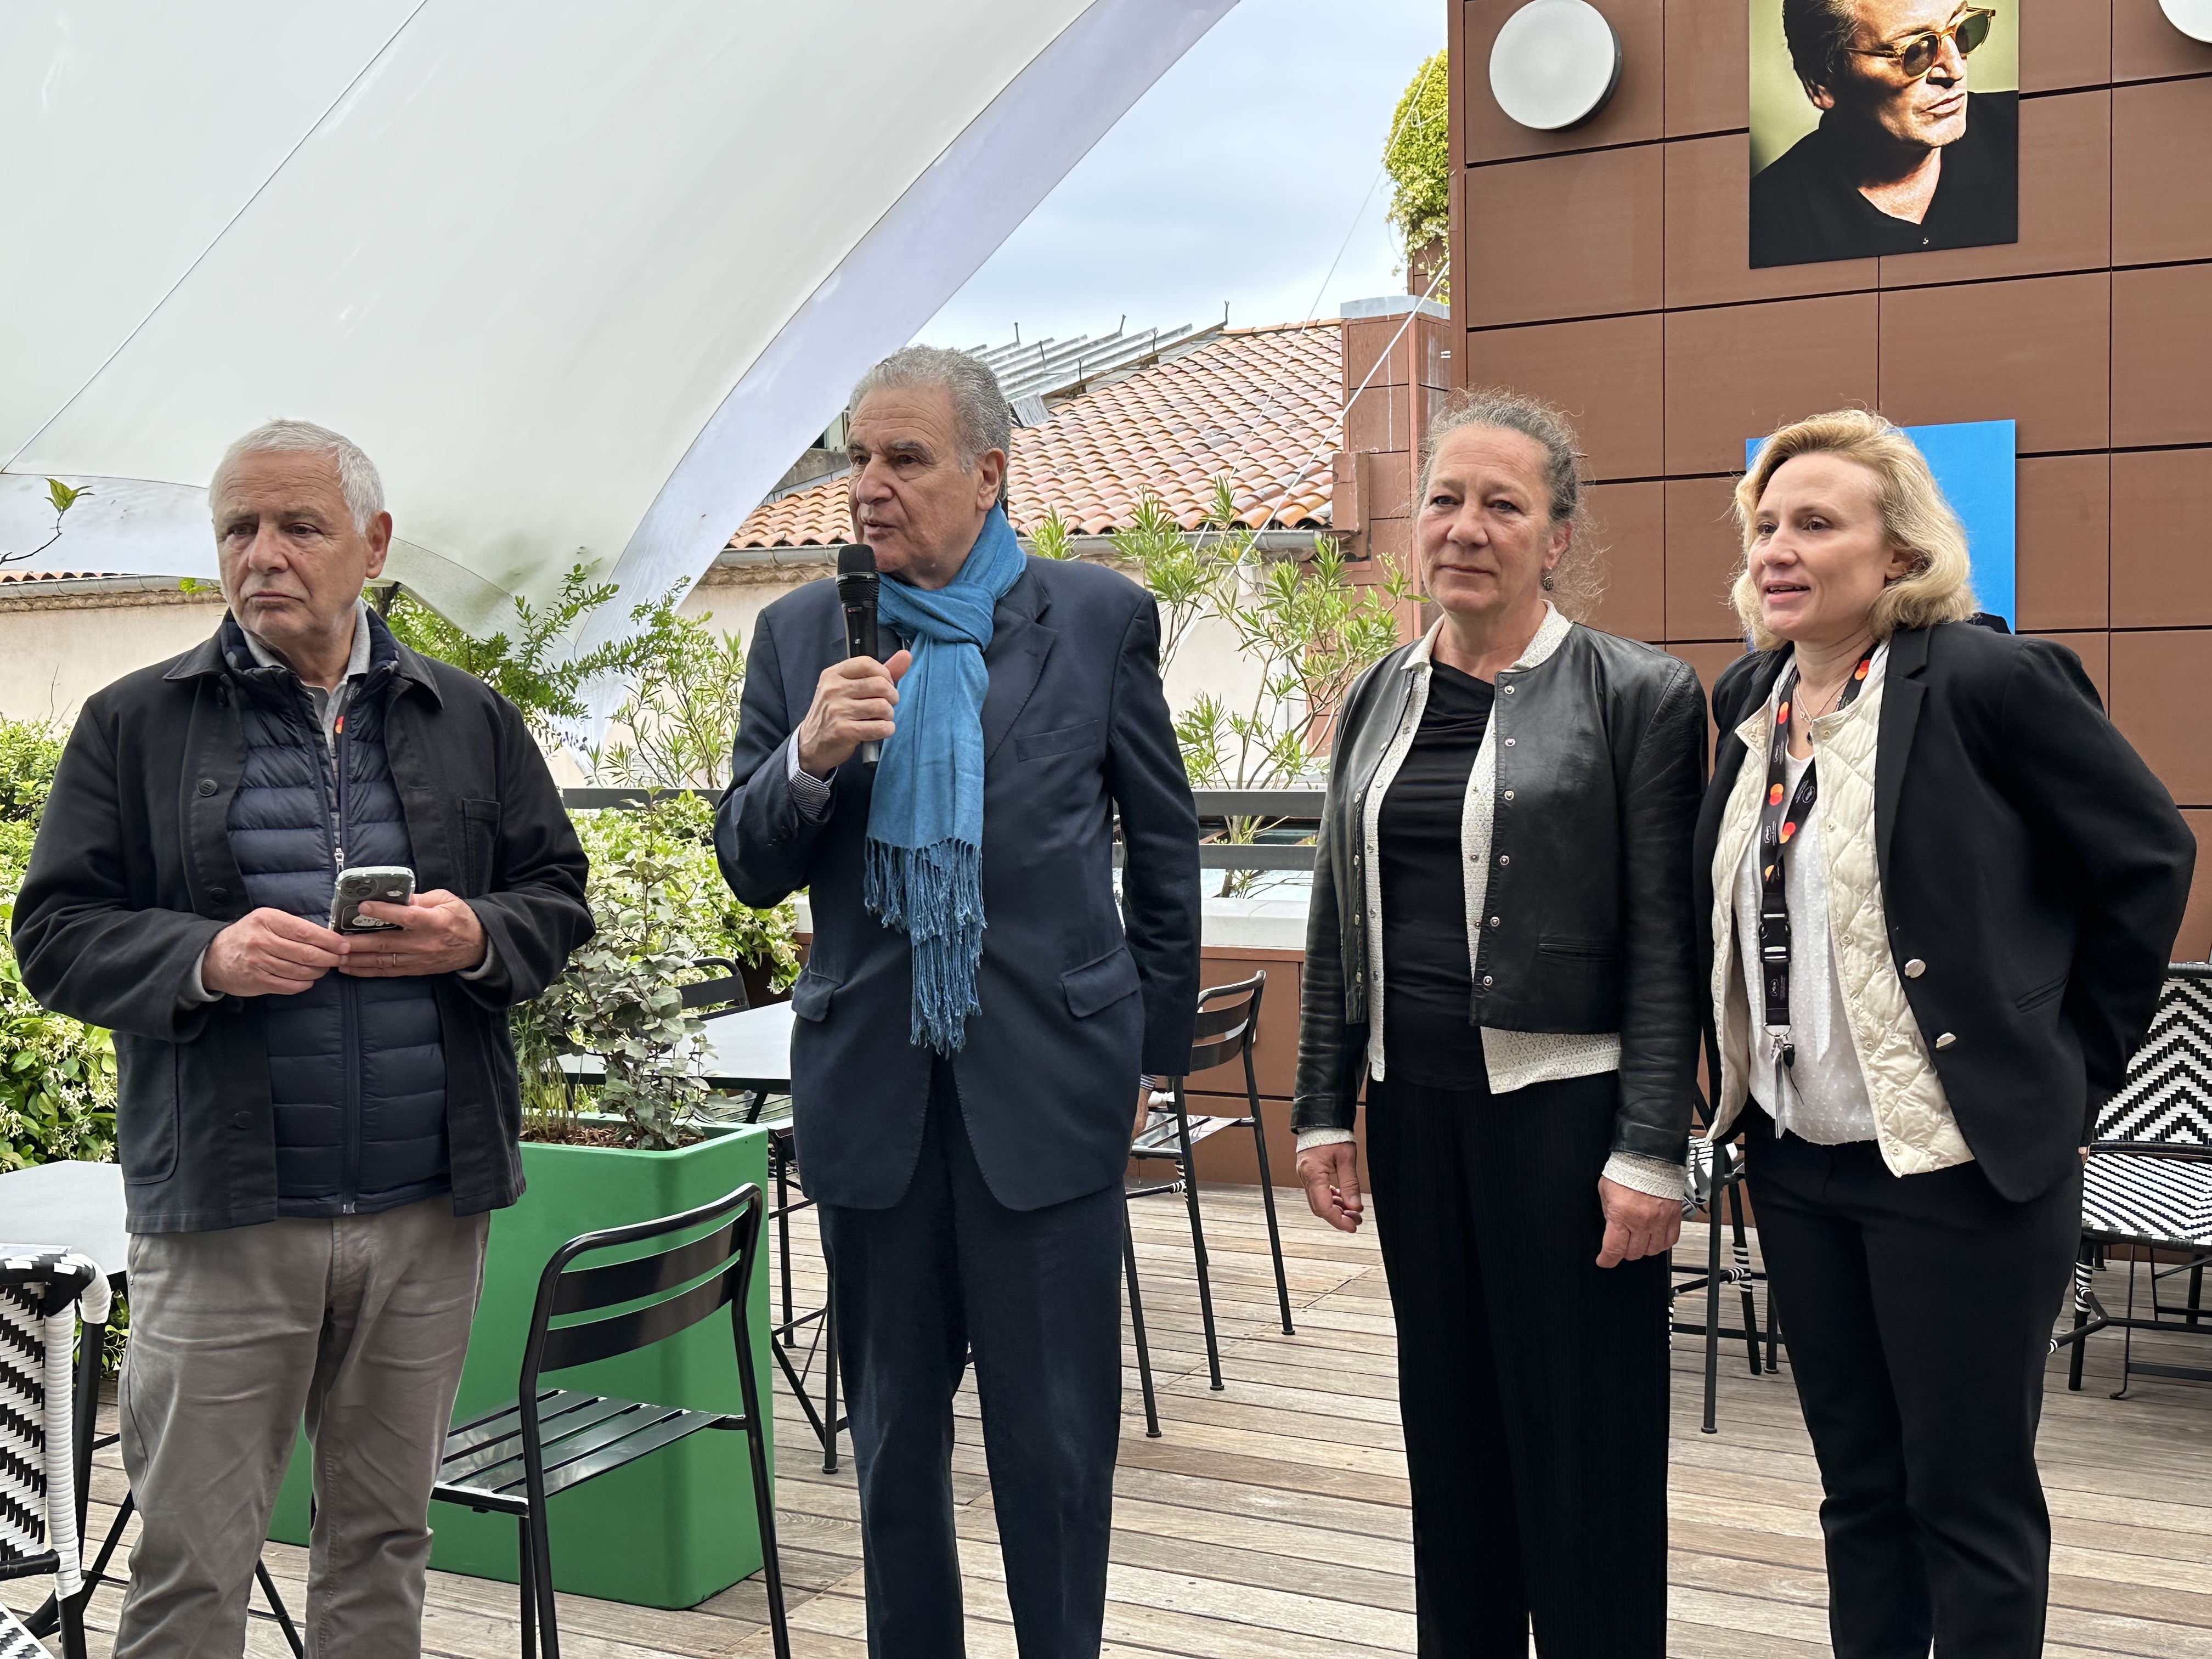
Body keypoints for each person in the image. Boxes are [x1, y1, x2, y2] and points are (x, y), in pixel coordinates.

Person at [11, 421, 592, 1656]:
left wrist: (474, 935)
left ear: (373, 546)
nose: (263, 554)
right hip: (227, 1218)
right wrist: (203, 958)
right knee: (187, 1564)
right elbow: (55, 932)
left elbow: (557, 893)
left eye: (298, 527)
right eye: (239, 529)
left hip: (428, 1210)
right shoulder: (135, 723)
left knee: (384, 1546)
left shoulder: (469, 716)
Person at [716, 346, 1199, 1657]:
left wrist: (1151, 1053)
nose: (867, 485)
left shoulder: (1095, 618)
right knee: (890, 1453)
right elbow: (749, 866)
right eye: (854, 457)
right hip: (874, 1095)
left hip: (1048, 1091)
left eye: (903, 458)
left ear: (989, 472)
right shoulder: (799, 635)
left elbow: (1162, 848)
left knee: (1052, 1451)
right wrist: (809, 759)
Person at [1697, 409, 2194, 1657]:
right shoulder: (1751, 700)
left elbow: (2147, 857)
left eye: (1817, 523)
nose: (1779, 548)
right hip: (1801, 1164)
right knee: (1860, 1497)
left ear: (1903, 556)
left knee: (1967, 1508)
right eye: (1765, 525)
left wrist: (2069, 1074)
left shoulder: (1988, 682)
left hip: (1962, 1173)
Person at [1291, 390, 1706, 1657]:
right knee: (1454, 1433)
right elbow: (1335, 909)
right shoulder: (1377, 693)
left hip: (1568, 1122)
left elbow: (1664, 942)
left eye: (1502, 505)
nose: (1465, 528)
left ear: (1558, 536)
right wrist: (1321, 1106)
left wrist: (1650, 1148)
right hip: (1415, 1116)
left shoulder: (1639, 692)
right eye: (1445, 500)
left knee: (1584, 1450)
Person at [1752, 0, 2017, 268]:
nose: (1956, 70)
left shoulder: (2037, 130)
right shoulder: (1763, 227)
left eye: (1960, 30)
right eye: (1915, 51)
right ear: (1821, 82)